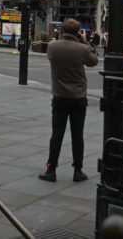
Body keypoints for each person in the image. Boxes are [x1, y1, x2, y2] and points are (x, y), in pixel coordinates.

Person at [39, 18, 98, 183]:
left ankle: (51, 169)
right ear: (78, 32)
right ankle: (78, 170)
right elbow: (94, 61)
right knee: (77, 135)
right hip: (78, 98)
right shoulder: (82, 49)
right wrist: (87, 42)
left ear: (61, 31)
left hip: (59, 97)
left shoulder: (52, 47)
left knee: (56, 134)